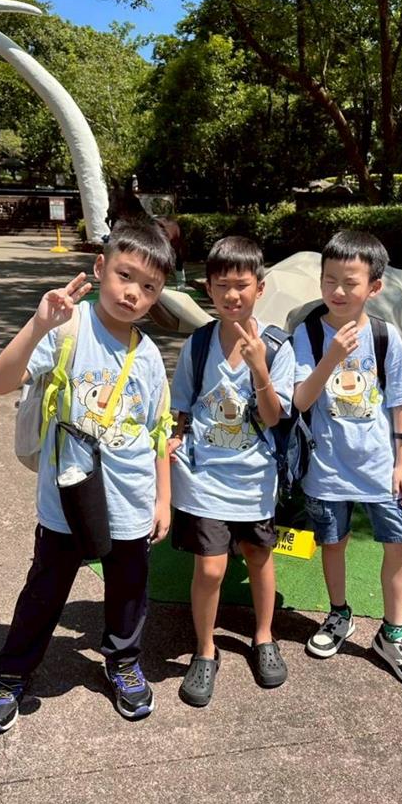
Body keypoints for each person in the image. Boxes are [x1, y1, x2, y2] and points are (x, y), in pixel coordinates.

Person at [0, 220, 176, 734]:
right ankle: (12, 673)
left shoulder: (149, 355)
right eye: (125, 276)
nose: (133, 293)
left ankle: (123, 662)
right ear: (100, 267)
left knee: (129, 589)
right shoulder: (68, 329)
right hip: (68, 495)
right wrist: (37, 324)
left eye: (149, 286)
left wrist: (163, 499)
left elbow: (158, 432)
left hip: (131, 498)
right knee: (45, 589)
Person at [292, 230, 402, 690]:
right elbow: (300, 399)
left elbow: (401, 402)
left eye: (349, 282)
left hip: (379, 467)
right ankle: (339, 614)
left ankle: (393, 634)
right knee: (333, 543)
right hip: (327, 468)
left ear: (374, 287)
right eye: (329, 280)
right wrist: (332, 355)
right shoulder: (307, 334)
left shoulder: (385, 336)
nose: (337, 291)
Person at [168, 236, 295, 707]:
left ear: (260, 288)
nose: (232, 295)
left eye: (241, 285)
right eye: (221, 286)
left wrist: (260, 367)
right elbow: (182, 405)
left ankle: (264, 636)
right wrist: (176, 435)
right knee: (210, 566)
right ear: (208, 289)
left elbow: (273, 417)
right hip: (204, 475)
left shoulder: (277, 346)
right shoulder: (199, 344)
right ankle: (205, 649)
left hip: (255, 477)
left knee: (259, 555)